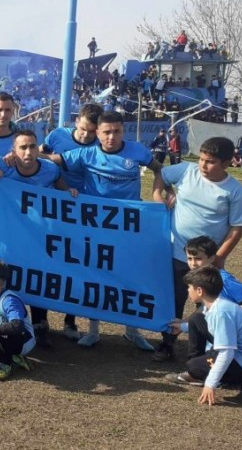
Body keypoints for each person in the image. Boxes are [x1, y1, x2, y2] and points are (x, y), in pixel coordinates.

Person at [44, 111, 165, 350]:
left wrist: (159, 193)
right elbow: (51, 159)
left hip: (129, 225)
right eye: (106, 132)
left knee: (131, 273)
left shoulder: (138, 151)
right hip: (95, 226)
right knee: (95, 275)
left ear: (123, 131)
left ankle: (132, 330)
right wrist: (17, 156)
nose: (111, 137)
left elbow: (159, 169)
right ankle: (93, 330)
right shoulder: (86, 153)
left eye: (116, 131)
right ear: (97, 133)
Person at [152, 137, 242, 361]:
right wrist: (160, 194)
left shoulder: (235, 192)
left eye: (211, 162)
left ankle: (200, 352)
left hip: (206, 260)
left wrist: (219, 257)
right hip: (177, 253)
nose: (203, 166)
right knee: (174, 300)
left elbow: (236, 229)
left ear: (226, 163)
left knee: (204, 306)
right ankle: (167, 344)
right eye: (202, 159)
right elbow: (162, 174)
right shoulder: (186, 171)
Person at [0, 130, 78, 348]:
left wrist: (69, 192)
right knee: (13, 276)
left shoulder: (49, 169)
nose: (28, 151)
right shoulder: (5, 169)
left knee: (40, 276)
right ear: (13, 151)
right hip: (12, 235)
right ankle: (8, 322)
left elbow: (61, 185)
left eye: (32, 146)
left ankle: (40, 325)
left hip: (41, 235)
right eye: (22, 147)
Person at [165, 266, 242, 404]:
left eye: (189, 287)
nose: (187, 290)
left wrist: (210, 384)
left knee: (193, 366)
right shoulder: (217, 305)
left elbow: (226, 353)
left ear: (200, 291)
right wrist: (182, 327)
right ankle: (199, 371)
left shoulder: (221, 313)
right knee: (196, 319)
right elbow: (206, 325)